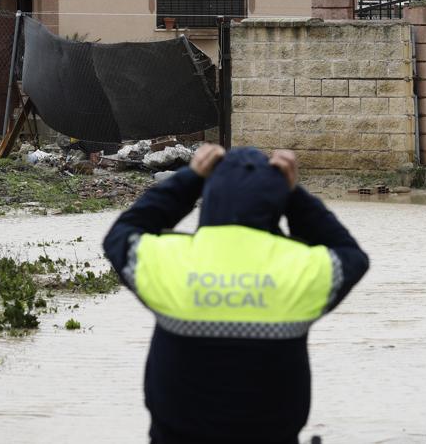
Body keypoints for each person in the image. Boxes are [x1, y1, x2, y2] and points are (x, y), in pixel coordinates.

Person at [103, 144, 369, 443]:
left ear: (210, 198)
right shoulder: (299, 269)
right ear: (276, 205)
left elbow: (122, 234)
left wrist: (190, 179)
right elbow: (351, 254)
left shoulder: (171, 262)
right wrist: (295, 196)